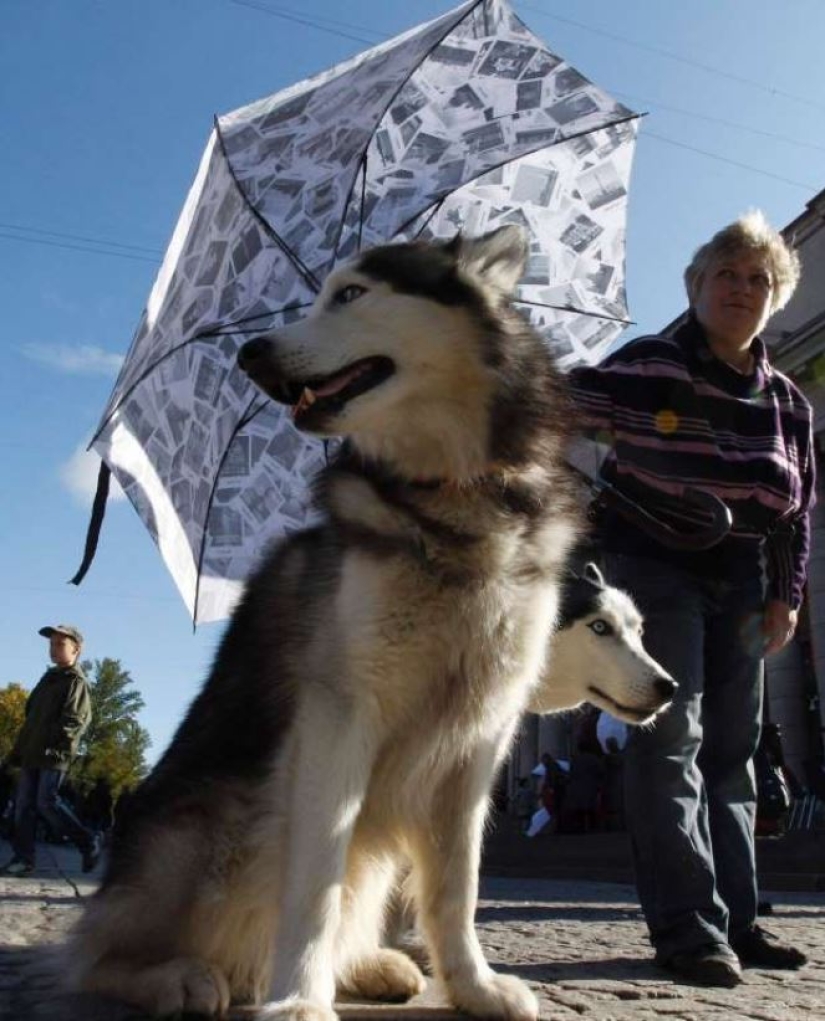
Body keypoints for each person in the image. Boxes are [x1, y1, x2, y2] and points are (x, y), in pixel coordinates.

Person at [569, 212, 813, 987]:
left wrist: (785, 594)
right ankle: (689, 929)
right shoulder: (647, 364)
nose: (742, 289)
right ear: (696, 285)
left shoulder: (787, 403)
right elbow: (556, 414)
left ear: (774, 299)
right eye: (726, 275)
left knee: (733, 751)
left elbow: (795, 512)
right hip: (654, 568)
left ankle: (738, 921)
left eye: (758, 280)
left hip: (743, 577)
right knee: (669, 741)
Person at [1, 624, 101, 876]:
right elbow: (31, 715)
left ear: (76, 649)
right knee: (23, 805)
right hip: (32, 752)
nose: (53, 649)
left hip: (54, 754)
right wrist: (18, 751)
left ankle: (88, 842)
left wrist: (58, 748)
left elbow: (76, 719)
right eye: (51, 644)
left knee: (47, 803)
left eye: (60, 644)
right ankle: (23, 858)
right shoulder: (48, 678)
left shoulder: (75, 682)